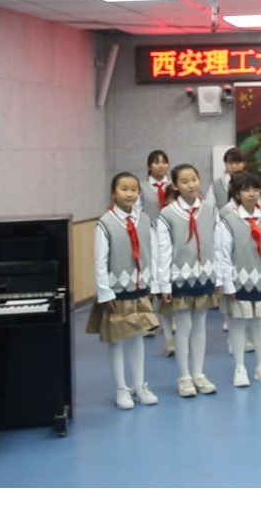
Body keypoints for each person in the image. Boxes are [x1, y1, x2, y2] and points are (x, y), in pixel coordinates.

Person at [88, 173, 161, 410]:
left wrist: (153, 283)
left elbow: (153, 253)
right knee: (117, 340)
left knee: (138, 337)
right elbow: (100, 260)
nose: (129, 194)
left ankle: (140, 385)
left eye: (133, 189)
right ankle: (121, 388)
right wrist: (105, 292)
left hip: (140, 288)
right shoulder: (105, 223)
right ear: (113, 192)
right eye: (124, 189)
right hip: (117, 291)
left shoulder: (145, 220)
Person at [156, 164, 221, 398]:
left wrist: (219, 276)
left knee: (200, 326)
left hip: (205, 276)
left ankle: (199, 373)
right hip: (180, 278)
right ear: (175, 186)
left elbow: (217, 244)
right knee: (183, 327)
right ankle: (184, 376)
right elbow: (163, 251)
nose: (191, 185)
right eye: (184, 181)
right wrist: (164, 283)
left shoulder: (210, 210)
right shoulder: (167, 214)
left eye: (194, 179)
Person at [215, 172, 261, 387]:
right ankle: (240, 367)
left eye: (255, 189)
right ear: (236, 194)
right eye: (246, 190)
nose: (252, 194)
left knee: (260, 322)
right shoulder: (228, 221)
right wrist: (227, 283)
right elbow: (222, 253)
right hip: (238, 280)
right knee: (238, 324)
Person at [140, 149, 175, 356]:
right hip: (150, 237)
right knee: (151, 280)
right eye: (156, 162)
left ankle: (173, 329)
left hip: (173, 236)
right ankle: (149, 319)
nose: (161, 166)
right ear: (149, 166)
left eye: (164, 162)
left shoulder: (175, 185)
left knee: (170, 282)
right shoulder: (142, 188)